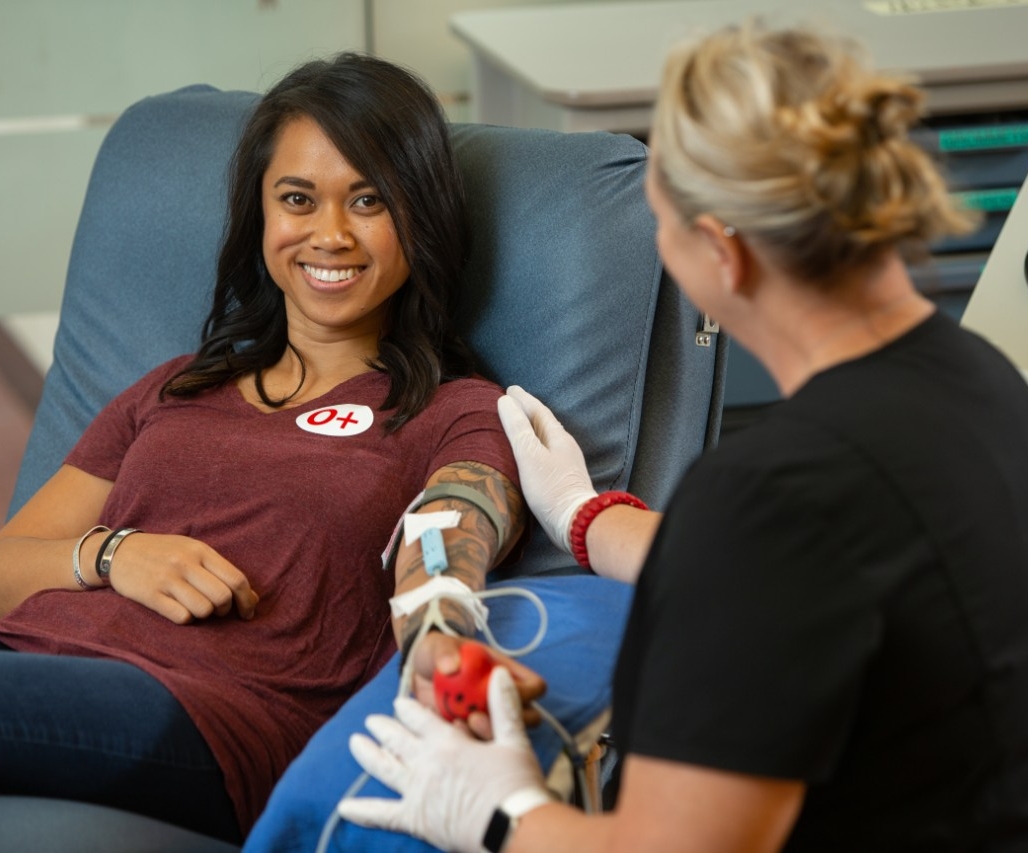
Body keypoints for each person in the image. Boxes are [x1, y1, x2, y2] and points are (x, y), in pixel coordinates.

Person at [337, 21, 1028, 852]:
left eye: (662, 223)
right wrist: (585, 517)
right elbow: (812, 570)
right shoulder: (984, 384)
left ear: (721, 254)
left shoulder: (769, 489)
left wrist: (503, 813)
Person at [0, 52, 541, 844]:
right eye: (298, 199)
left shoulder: (456, 411)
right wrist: (114, 554)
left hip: (210, 714)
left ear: (420, 215)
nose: (330, 234)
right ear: (261, 217)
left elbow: (452, 527)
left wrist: (440, 642)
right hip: (37, 655)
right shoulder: (174, 387)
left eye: (368, 200)